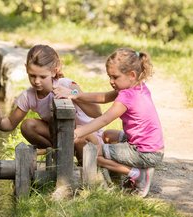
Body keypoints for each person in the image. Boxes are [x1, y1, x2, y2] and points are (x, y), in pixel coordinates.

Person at [54, 47, 164, 197]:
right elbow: (103, 97)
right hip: (152, 148)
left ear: (131, 75)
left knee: (94, 154)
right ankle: (124, 171)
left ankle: (138, 174)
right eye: (109, 77)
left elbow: (104, 119)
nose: (111, 81)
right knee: (107, 135)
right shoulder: (137, 86)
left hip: (144, 152)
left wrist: (78, 132)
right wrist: (73, 94)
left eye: (115, 77)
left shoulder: (126, 97)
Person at [0, 44, 103, 165]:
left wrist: (74, 94)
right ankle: (59, 155)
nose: (36, 81)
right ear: (26, 68)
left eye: (42, 76)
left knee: (74, 131)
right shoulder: (29, 96)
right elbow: (10, 124)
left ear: (54, 71)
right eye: (32, 75)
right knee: (27, 126)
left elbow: (97, 113)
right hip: (63, 137)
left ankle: (83, 165)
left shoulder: (67, 85)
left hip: (88, 137)